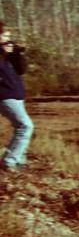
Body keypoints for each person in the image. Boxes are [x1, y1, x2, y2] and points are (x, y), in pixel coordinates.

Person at [0, 22, 33, 171]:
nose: (8, 39)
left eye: (9, 36)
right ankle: (9, 161)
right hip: (4, 96)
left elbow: (21, 70)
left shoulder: (8, 53)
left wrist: (17, 54)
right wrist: (2, 52)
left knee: (21, 127)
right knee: (25, 126)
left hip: (15, 94)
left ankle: (18, 160)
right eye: (5, 36)